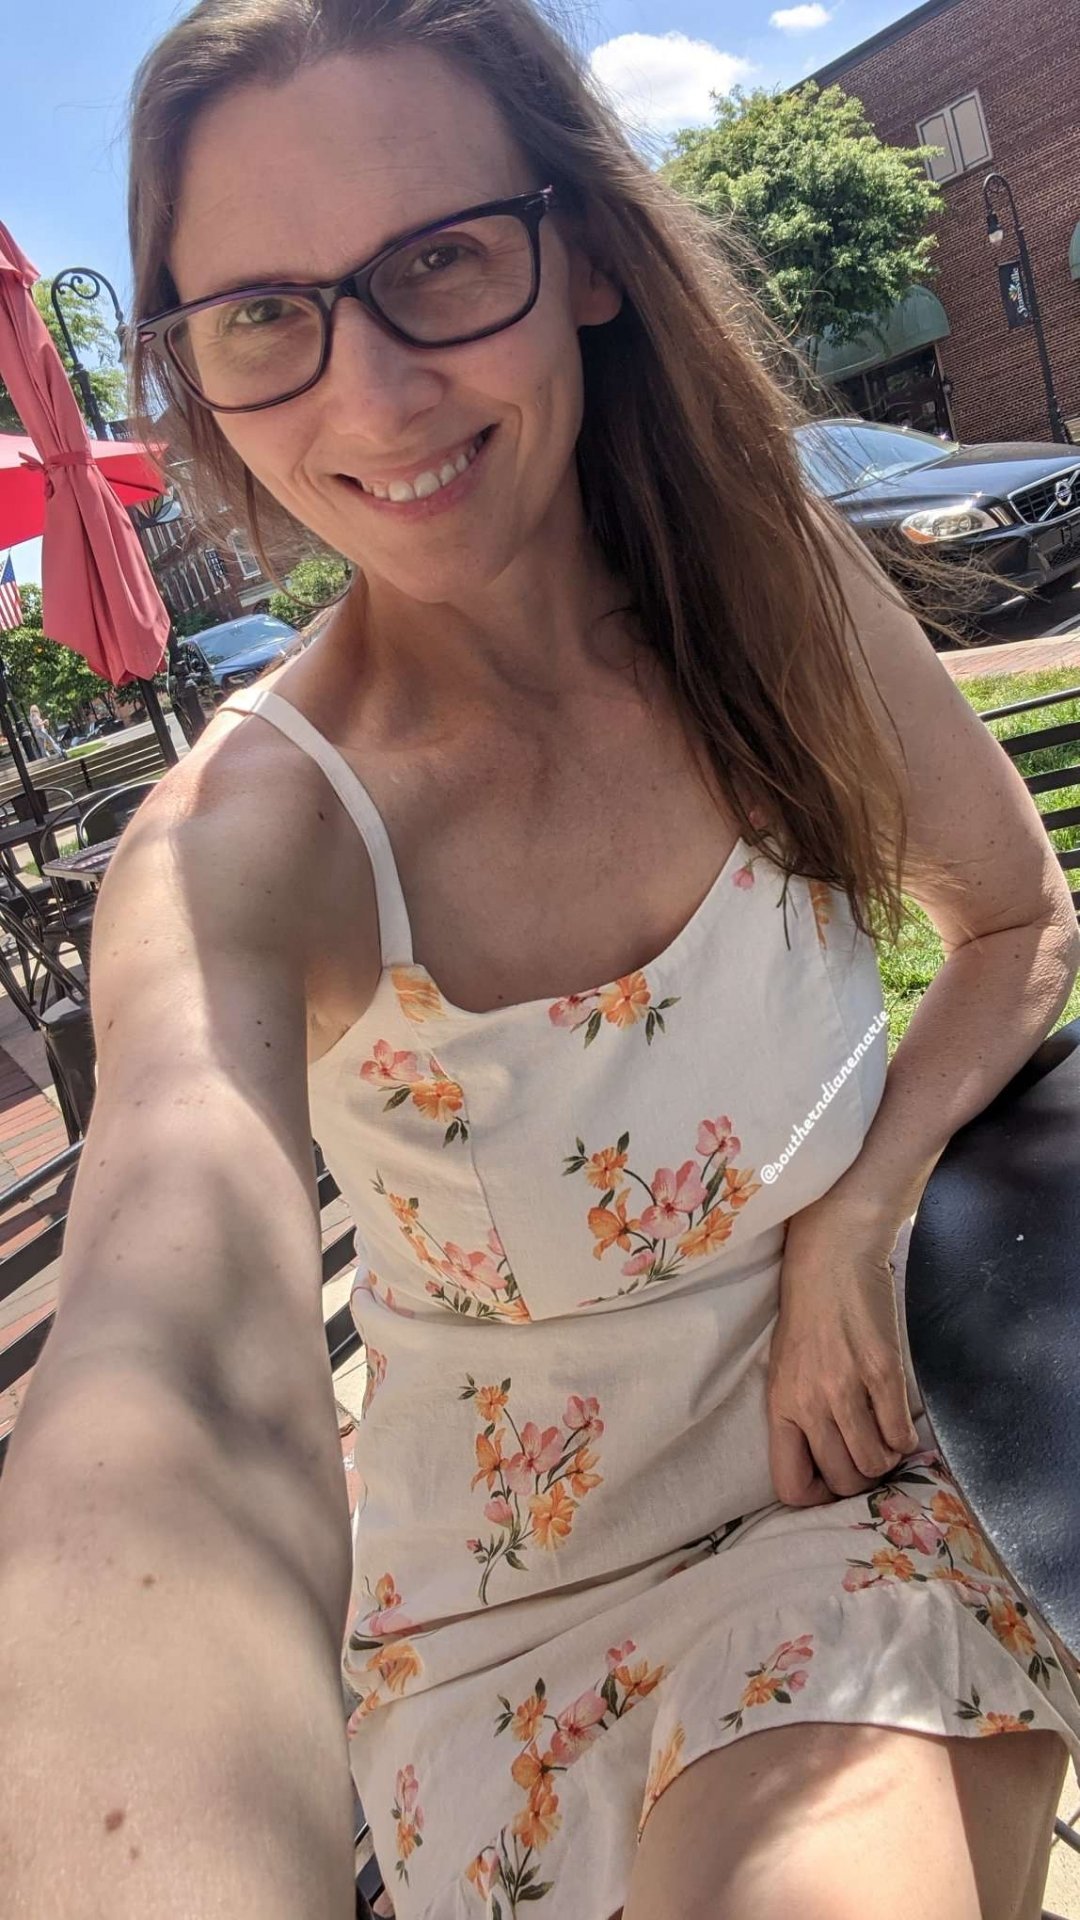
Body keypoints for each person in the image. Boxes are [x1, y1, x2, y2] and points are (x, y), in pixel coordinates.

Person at [2, 2, 1079, 1915]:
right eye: (264, 314)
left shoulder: (772, 591)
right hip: (510, 1641)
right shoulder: (254, 838)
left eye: (439, 262)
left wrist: (859, 1215)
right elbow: (173, 1366)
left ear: (581, 253)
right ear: (192, 370)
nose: (373, 396)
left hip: (886, 1480)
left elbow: (1013, 923)